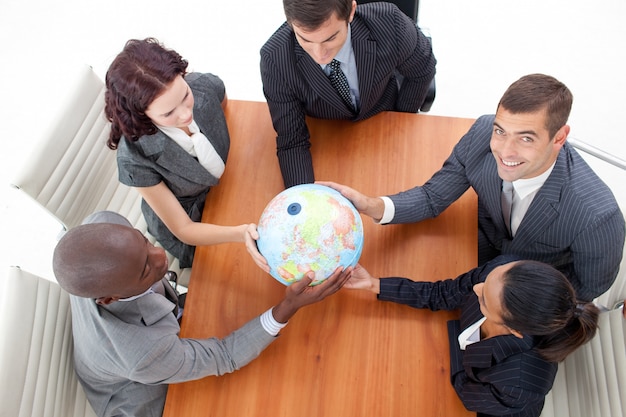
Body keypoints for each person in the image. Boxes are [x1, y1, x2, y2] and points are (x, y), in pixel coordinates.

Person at [321, 73, 625, 302]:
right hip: (475, 246)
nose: (505, 151)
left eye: (526, 138)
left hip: (521, 291)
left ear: (559, 138)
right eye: (501, 131)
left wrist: (506, 304)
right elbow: (432, 197)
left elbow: (586, 289)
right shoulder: (482, 132)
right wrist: (371, 204)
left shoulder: (597, 216)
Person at [52, 211, 351, 417]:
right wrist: (288, 306)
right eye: (146, 269)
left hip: (158, 338)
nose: (161, 257)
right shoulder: (144, 354)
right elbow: (225, 356)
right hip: (151, 400)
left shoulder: (102, 223)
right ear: (109, 299)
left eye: (144, 242)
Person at [347, 256, 599, 417]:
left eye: (484, 300)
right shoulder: (500, 276)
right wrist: (373, 284)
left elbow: (467, 394)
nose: (477, 287)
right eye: (487, 280)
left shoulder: (517, 386)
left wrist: (457, 343)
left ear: (514, 330)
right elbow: (443, 293)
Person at [105, 38, 266, 271]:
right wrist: (240, 233)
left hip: (227, 183)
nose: (185, 115)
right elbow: (184, 229)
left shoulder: (203, 85)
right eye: (169, 112)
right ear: (141, 115)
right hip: (191, 216)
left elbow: (225, 115)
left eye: (185, 96)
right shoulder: (135, 158)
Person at [260, 0, 437, 188]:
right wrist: (306, 201)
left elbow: (423, 68)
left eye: (330, 38)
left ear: (351, 11)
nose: (320, 55)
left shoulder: (389, 22)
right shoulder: (275, 58)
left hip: (382, 118)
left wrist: (401, 117)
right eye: (305, 40)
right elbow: (292, 141)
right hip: (327, 131)